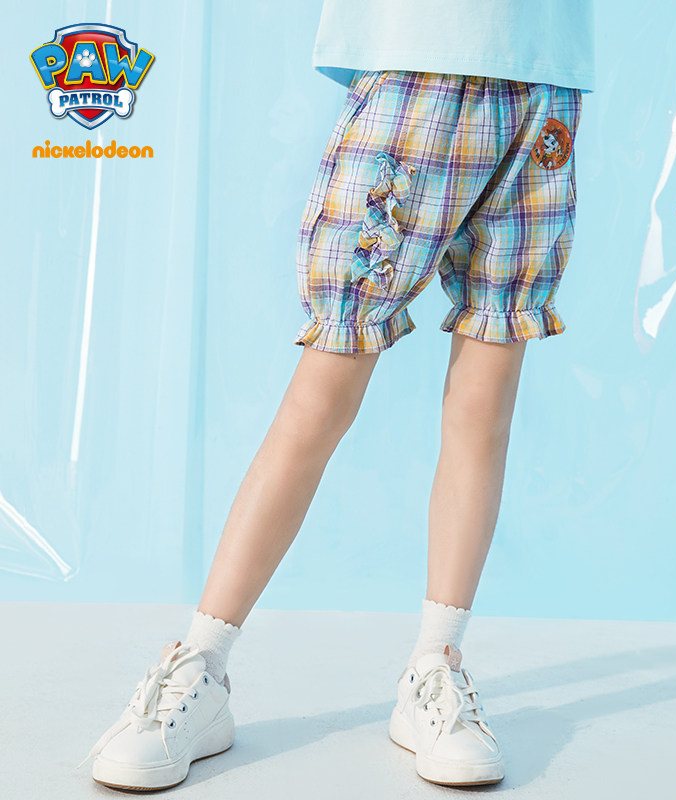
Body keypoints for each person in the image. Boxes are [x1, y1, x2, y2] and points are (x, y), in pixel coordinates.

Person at [77, 0, 595, 790]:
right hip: (416, 64)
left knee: (486, 401)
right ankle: (200, 668)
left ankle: (435, 668)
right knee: (322, 392)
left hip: (544, 85)